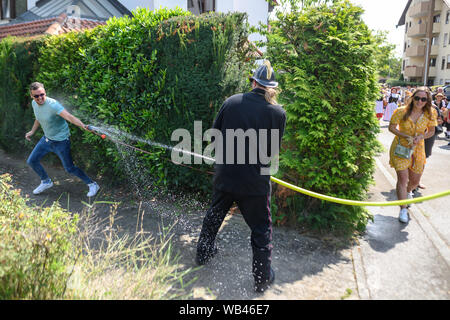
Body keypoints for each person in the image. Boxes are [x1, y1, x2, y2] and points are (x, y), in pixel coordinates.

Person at [195, 61, 286, 293]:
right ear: (272, 88)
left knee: (214, 215)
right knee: (261, 229)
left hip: (226, 175)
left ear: (253, 82)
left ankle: (203, 254)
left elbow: (214, 137)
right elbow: (272, 151)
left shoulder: (231, 102)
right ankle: (262, 278)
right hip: (254, 182)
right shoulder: (278, 113)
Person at [25, 82, 100, 197]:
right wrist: (32, 131)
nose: (40, 98)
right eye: (36, 96)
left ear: (45, 92)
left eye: (42, 94)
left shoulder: (53, 104)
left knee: (69, 168)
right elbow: (38, 118)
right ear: (32, 96)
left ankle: (92, 184)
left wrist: (83, 126)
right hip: (46, 140)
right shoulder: (34, 104)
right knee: (32, 161)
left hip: (61, 142)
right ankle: (46, 181)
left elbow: (70, 117)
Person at [388, 87, 438, 223]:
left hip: (418, 149)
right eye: (417, 98)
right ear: (412, 98)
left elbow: (432, 131)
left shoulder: (430, 113)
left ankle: (409, 192)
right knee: (402, 179)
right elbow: (391, 127)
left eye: (423, 99)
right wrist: (405, 136)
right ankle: (403, 209)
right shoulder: (400, 111)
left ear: (427, 100)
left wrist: (421, 136)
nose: (420, 101)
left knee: (415, 181)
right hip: (401, 148)